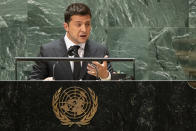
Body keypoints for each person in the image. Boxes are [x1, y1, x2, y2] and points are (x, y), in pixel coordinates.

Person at [29, 3, 112, 80]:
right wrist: (44, 84)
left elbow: (117, 84)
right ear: (66, 27)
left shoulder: (100, 51)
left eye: (87, 24)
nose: (84, 29)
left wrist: (105, 76)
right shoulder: (48, 51)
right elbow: (32, 82)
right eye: (78, 24)